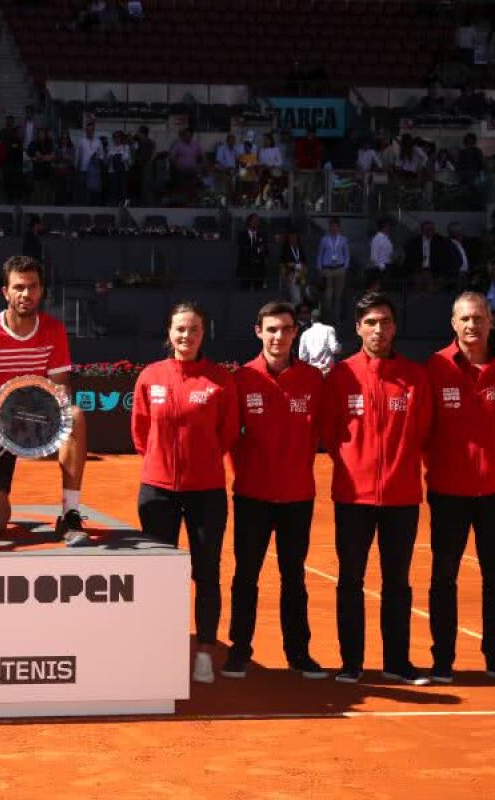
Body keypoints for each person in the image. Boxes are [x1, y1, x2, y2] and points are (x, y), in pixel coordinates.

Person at [321, 293, 432, 685]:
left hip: (402, 496)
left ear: (395, 327)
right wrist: (356, 467)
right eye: (370, 322)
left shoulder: (415, 377)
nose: (378, 330)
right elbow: (330, 433)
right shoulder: (341, 376)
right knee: (351, 580)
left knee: (397, 582)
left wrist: (397, 468)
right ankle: (351, 663)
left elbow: (423, 430)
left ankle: (396, 662)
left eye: (385, 322)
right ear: (357, 328)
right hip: (353, 497)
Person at [131, 301, 239, 683]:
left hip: (206, 491)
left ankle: (205, 652)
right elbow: (140, 431)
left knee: (206, 573)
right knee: (159, 575)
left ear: (203, 334)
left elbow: (228, 433)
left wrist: (201, 462)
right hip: (157, 491)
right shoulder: (151, 376)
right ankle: (160, 648)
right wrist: (160, 463)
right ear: (169, 332)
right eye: (180, 328)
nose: (186, 336)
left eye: (194, 329)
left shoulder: (219, 380)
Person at [424, 293, 495, 686]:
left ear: (490, 321)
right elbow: (426, 428)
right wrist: (440, 467)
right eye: (465, 319)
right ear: (454, 323)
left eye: (479, 318)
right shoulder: (436, 367)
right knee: (443, 576)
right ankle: (442, 660)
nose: (472, 325)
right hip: (448, 491)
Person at [223, 302, 328, 680]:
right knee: (245, 576)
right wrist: (248, 475)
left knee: (293, 577)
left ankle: (298, 653)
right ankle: (239, 650)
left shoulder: (313, 380)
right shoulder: (242, 379)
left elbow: (321, 432)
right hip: (252, 495)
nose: (278, 336)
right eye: (271, 329)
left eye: (285, 329)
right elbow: (230, 438)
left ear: (295, 332)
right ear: (258, 332)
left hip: (298, 496)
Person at [0, 256, 89, 547]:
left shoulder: (53, 329)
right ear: (5, 292)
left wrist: (43, 424)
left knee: (75, 415)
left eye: (32, 287)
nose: (26, 294)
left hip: (36, 420)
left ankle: (70, 513)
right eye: (18, 287)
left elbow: (60, 386)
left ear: (41, 290)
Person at [316, 217, 349, 322]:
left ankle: (336, 318)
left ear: (339, 227)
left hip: (339, 268)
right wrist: (320, 268)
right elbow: (320, 254)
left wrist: (345, 267)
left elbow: (346, 254)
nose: (333, 228)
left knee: (338, 296)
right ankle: (328, 317)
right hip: (327, 269)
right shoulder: (324, 239)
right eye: (332, 226)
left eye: (335, 226)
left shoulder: (343, 239)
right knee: (328, 296)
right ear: (329, 227)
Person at [298, 306, 341, 375]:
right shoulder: (329, 330)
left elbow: (302, 357)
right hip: (328, 370)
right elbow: (335, 349)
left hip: (313, 371)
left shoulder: (305, 334)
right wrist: (340, 346)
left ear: (311, 320)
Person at [237, 213, 269, 290]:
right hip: (246, 265)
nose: (256, 223)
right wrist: (257, 249)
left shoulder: (262, 235)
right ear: (249, 222)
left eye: (257, 221)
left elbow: (265, 250)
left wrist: (260, 250)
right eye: (254, 221)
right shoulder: (242, 235)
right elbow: (244, 250)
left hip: (259, 266)